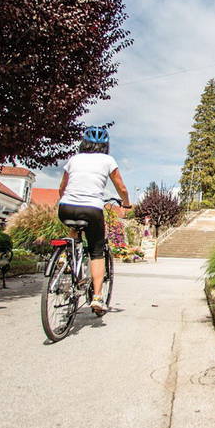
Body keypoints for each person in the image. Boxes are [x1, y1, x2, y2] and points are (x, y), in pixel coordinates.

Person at [57, 125, 132, 313]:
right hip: (92, 209)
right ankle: (97, 297)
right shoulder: (108, 160)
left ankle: (67, 255)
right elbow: (121, 187)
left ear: (84, 143)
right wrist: (126, 203)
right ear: (105, 145)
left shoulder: (74, 159)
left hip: (66, 207)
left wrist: (65, 199)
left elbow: (62, 187)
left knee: (74, 227)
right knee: (96, 251)